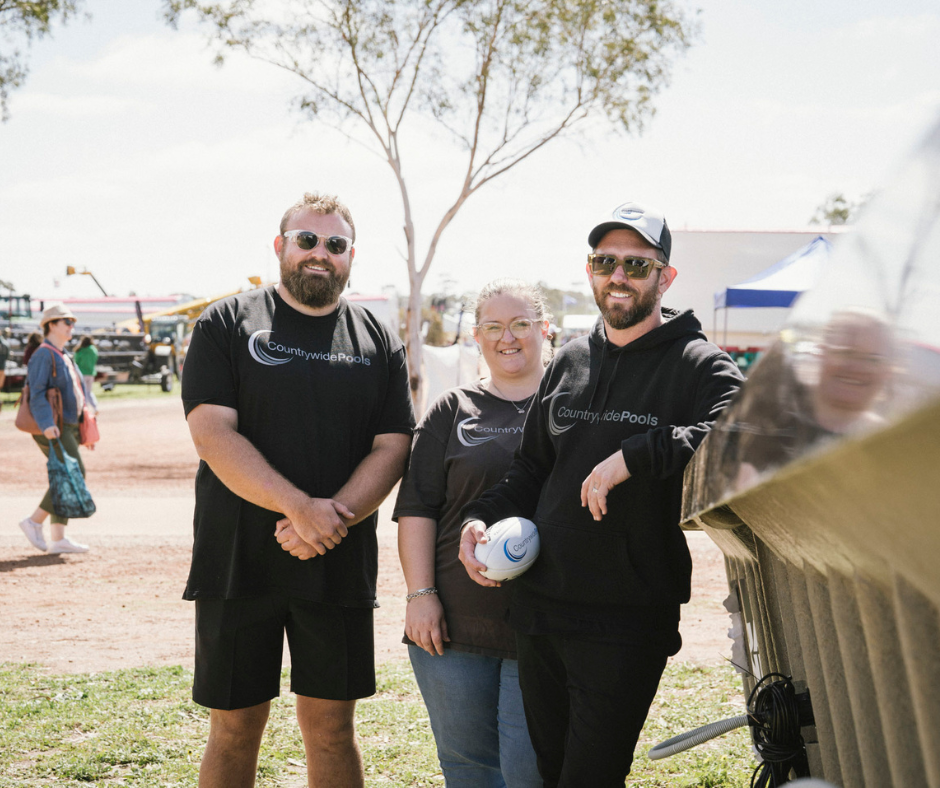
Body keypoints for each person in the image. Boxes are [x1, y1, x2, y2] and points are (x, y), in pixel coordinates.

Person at [459, 202, 744, 787]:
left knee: (590, 777)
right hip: (542, 610)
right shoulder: (569, 361)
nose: (618, 276)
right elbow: (531, 468)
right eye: (605, 261)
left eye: (636, 265)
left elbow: (743, 428)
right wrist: (481, 518)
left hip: (626, 617)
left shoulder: (697, 364)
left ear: (664, 277)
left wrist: (635, 456)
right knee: (552, 770)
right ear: (590, 270)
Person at [181, 192, 415, 788]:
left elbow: (392, 446)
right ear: (280, 245)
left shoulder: (377, 338)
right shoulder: (228, 323)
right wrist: (299, 509)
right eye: (306, 239)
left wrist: (329, 521)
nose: (320, 253)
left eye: (334, 244)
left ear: (350, 256)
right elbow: (211, 432)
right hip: (237, 562)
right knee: (234, 731)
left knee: (334, 732)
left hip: (337, 560)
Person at [394, 279, 547, 788]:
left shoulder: (572, 411)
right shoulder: (452, 409)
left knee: (530, 773)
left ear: (543, 330)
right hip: (454, 627)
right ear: (477, 337)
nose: (509, 337)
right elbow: (417, 509)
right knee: (469, 769)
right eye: (494, 326)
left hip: (544, 626)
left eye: (521, 324)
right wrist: (420, 595)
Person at [18, 303, 91, 554]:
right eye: (67, 322)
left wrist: (87, 421)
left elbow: (78, 392)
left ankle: (58, 538)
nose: (72, 326)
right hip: (52, 426)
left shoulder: (63, 353)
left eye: (72, 322)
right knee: (74, 472)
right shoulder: (42, 354)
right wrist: (47, 424)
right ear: (52, 325)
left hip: (66, 425)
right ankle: (33, 521)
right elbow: (37, 394)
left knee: (66, 474)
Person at [74, 335, 99, 413]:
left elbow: (75, 362)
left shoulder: (80, 350)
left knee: (83, 392)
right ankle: (95, 407)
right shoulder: (93, 350)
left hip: (82, 373)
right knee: (89, 391)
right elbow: (95, 359)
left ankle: (85, 408)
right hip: (91, 373)